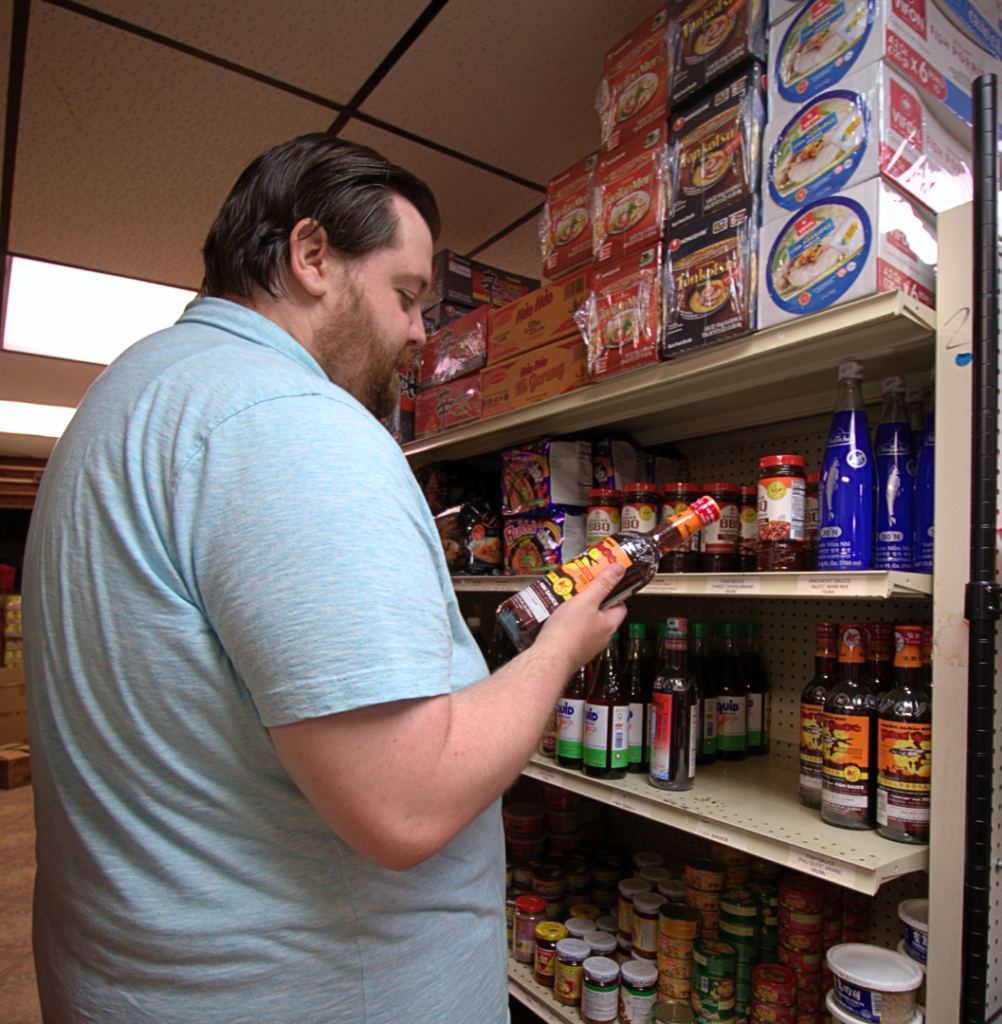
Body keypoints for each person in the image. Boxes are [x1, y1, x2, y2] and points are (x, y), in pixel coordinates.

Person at [22, 134, 627, 1024]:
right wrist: (559, 649)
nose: (422, 332)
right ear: (311, 257)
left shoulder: (124, 398)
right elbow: (406, 805)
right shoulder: (290, 420)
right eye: (407, 295)